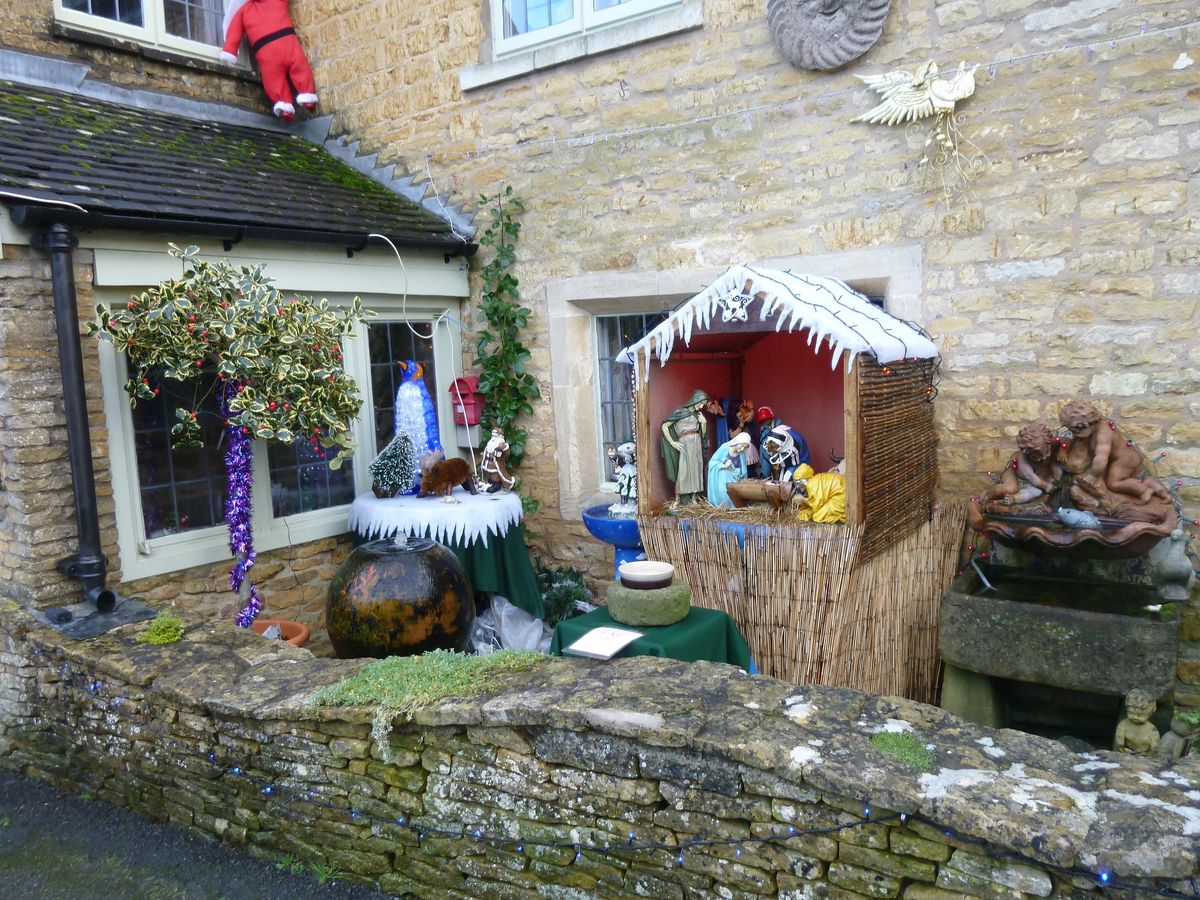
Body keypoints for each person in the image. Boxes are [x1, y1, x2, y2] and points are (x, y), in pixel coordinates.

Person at [1058, 398, 1170, 511]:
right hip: (1129, 454)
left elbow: (1101, 458)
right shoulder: (1096, 427)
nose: (1074, 434)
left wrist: (1093, 475)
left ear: (1085, 424)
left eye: (1075, 430)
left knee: (1114, 483)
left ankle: (1144, 490)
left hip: (1124, 460)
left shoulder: (1103, 433)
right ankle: (1161, 491)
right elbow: (1072, 441)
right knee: (1139, 477)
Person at [984, 423, 1062, 510]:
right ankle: (988, 496)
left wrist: (1063, 451)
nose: (1044, 457)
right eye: (1036, 455)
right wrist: (1046, 486)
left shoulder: (1052, 442)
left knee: (1036, 492)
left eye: (1046, 452)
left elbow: (1065, 441)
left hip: (1035, 479)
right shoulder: (1022, 460)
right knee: (1010, 489)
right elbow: (1031, 477)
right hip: (1014, 474)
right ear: (1027, 451)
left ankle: (1014, 499)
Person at [661, 389, 709, 504]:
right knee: (683, 471)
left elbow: (703, 435)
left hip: (696, 444)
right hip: (685, 444)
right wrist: (672, 442)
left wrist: (704, 423)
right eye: (701, 403)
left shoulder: (698, 415)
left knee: (696, 470)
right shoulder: (680, 412)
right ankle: (678, 499)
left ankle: (693, 498)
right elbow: (664, 426)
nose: (702, 406)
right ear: (695, 400)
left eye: (704, 404)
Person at [706, 433, 752, 508]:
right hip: (722, 479)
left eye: (745, 447)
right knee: (725, 494)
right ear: (737, 441)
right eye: (742, 445)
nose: (742, 449)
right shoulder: (724, 448)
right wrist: (723, 466)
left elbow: (743, 473)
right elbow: (712, 462)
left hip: (735, 480)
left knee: (735, 496)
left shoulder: (742, 454)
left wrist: (735, 470)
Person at [1113, 689, 1160, 755]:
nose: (1135, 717)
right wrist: (1123, 749)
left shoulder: (1152, 730)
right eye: (1131, 713)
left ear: (1150, 713)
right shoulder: (1123, 725)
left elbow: (1155, 748)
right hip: (1126, 754)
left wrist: (1147, 753)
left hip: (1145, 756)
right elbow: (1119, 744)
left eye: (1140, 715)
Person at [480, 428, 515, 493]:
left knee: (495, 475)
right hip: (488, 463)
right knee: (488, 475)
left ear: (500, 437)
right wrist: (483, 456)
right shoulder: (490, 443)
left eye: (495, 436)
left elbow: (507, 453)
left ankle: (496, 485)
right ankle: (489, 483)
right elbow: (486, 452)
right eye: (492, 435)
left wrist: (501, 449)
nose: (493, 437)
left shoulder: (501, 445)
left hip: (496, 464)